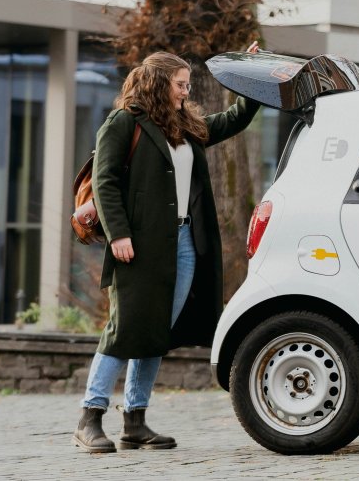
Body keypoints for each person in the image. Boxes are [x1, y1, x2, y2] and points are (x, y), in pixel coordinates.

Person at [73, 43, 261, 453]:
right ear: (159, 83)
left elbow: (234, 119)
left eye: (187, 84)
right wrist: (119, 234)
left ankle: (135, 421)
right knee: (125, 330)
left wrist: (249, 73)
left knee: (155, 332)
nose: (185, 91)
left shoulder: (186, 126)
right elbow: (104, 182)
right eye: (180, 84)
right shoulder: (123, 123)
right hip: (138, 245)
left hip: (185, 243)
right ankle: (90, 418)